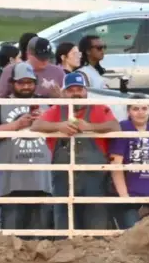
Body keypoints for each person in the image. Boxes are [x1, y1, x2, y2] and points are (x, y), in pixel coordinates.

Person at [34, 72, 121, 230]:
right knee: (64, 224)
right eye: (71, 90)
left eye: (79, 89)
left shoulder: (99, 108)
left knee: (96, 224)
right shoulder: (57, 110)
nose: (76, 94)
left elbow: (115, 126)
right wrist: (59, 126)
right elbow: (36, 126)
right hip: (63, 177)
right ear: (64, 93)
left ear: (86, 91)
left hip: (95, 178)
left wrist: (90, 127)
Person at [0, 62, 56, 231]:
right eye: (21, 83)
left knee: (42, 236)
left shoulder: (48, 103)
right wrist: (18, 124)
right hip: (12, 182)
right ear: (12, 83)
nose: (26, 86)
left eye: (30, 82)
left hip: (43, 181)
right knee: (12, 236)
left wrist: (46, 119)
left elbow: (62, 128)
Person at [108, 103, 149, 230]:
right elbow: (115, 165)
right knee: (132, 235)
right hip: (131, 199)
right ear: (128, 111)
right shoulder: (123, 128)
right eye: (135, 109)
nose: (140, 112)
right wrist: (124, 197)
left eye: (144, 108)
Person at [0, 36, 64, 99]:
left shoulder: (58, 72)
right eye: (40, 58)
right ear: (28, 54)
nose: (45, 61)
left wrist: (59, 98)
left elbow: (67, 103)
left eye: (47, 57)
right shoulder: (11, 70)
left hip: (49, 109)